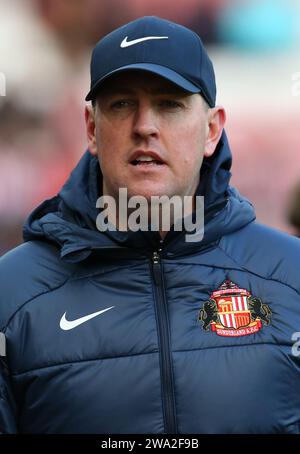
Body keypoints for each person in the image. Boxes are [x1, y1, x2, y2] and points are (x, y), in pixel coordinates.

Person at [0, 16, 300, 435]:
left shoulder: (291, 276)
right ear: (90, 128)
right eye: (122, 104)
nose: (145, 126)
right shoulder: (11, 293)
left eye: (169, 104)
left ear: (212, 129)